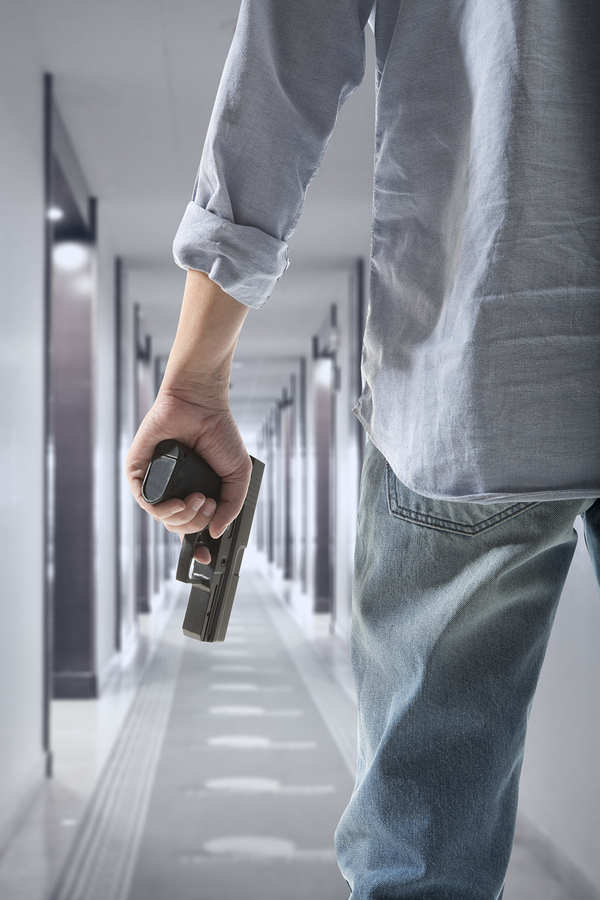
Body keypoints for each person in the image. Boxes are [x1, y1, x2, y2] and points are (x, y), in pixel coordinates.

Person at [126, 0, 600, 896]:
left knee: (422, 861)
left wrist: (192, 378)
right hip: (470, 379)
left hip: (481, 359)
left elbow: (287, 53)